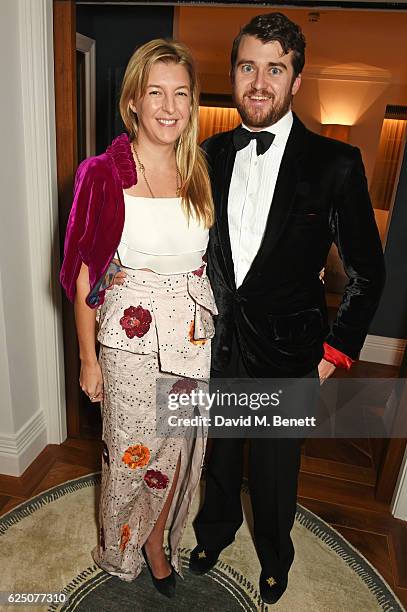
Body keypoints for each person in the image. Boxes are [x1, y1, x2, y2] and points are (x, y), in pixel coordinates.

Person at [188, 12, 386, 605]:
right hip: (220, 344)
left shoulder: (336, 164)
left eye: (275, 69)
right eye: (248, 66)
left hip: (292, 353)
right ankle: (213, 533)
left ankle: (275, 557)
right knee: (220, 458)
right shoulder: (207, 153)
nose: (259, 82)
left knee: (275, 474)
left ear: (296, 80)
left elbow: (368, 273)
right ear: (233, 72)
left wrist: (333, 353)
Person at [60, 39, 216, 598]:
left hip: (192, 338)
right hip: (129, 342)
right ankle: (121, 545)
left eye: (181, 93)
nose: (170, 106)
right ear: (133, 101)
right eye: (156, 92)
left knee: (175, 451)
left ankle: (156, 542)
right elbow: (82, 272)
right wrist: (87, 358)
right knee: (129, 454)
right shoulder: (101, 173)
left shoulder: (200, 168)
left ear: (193, 103)